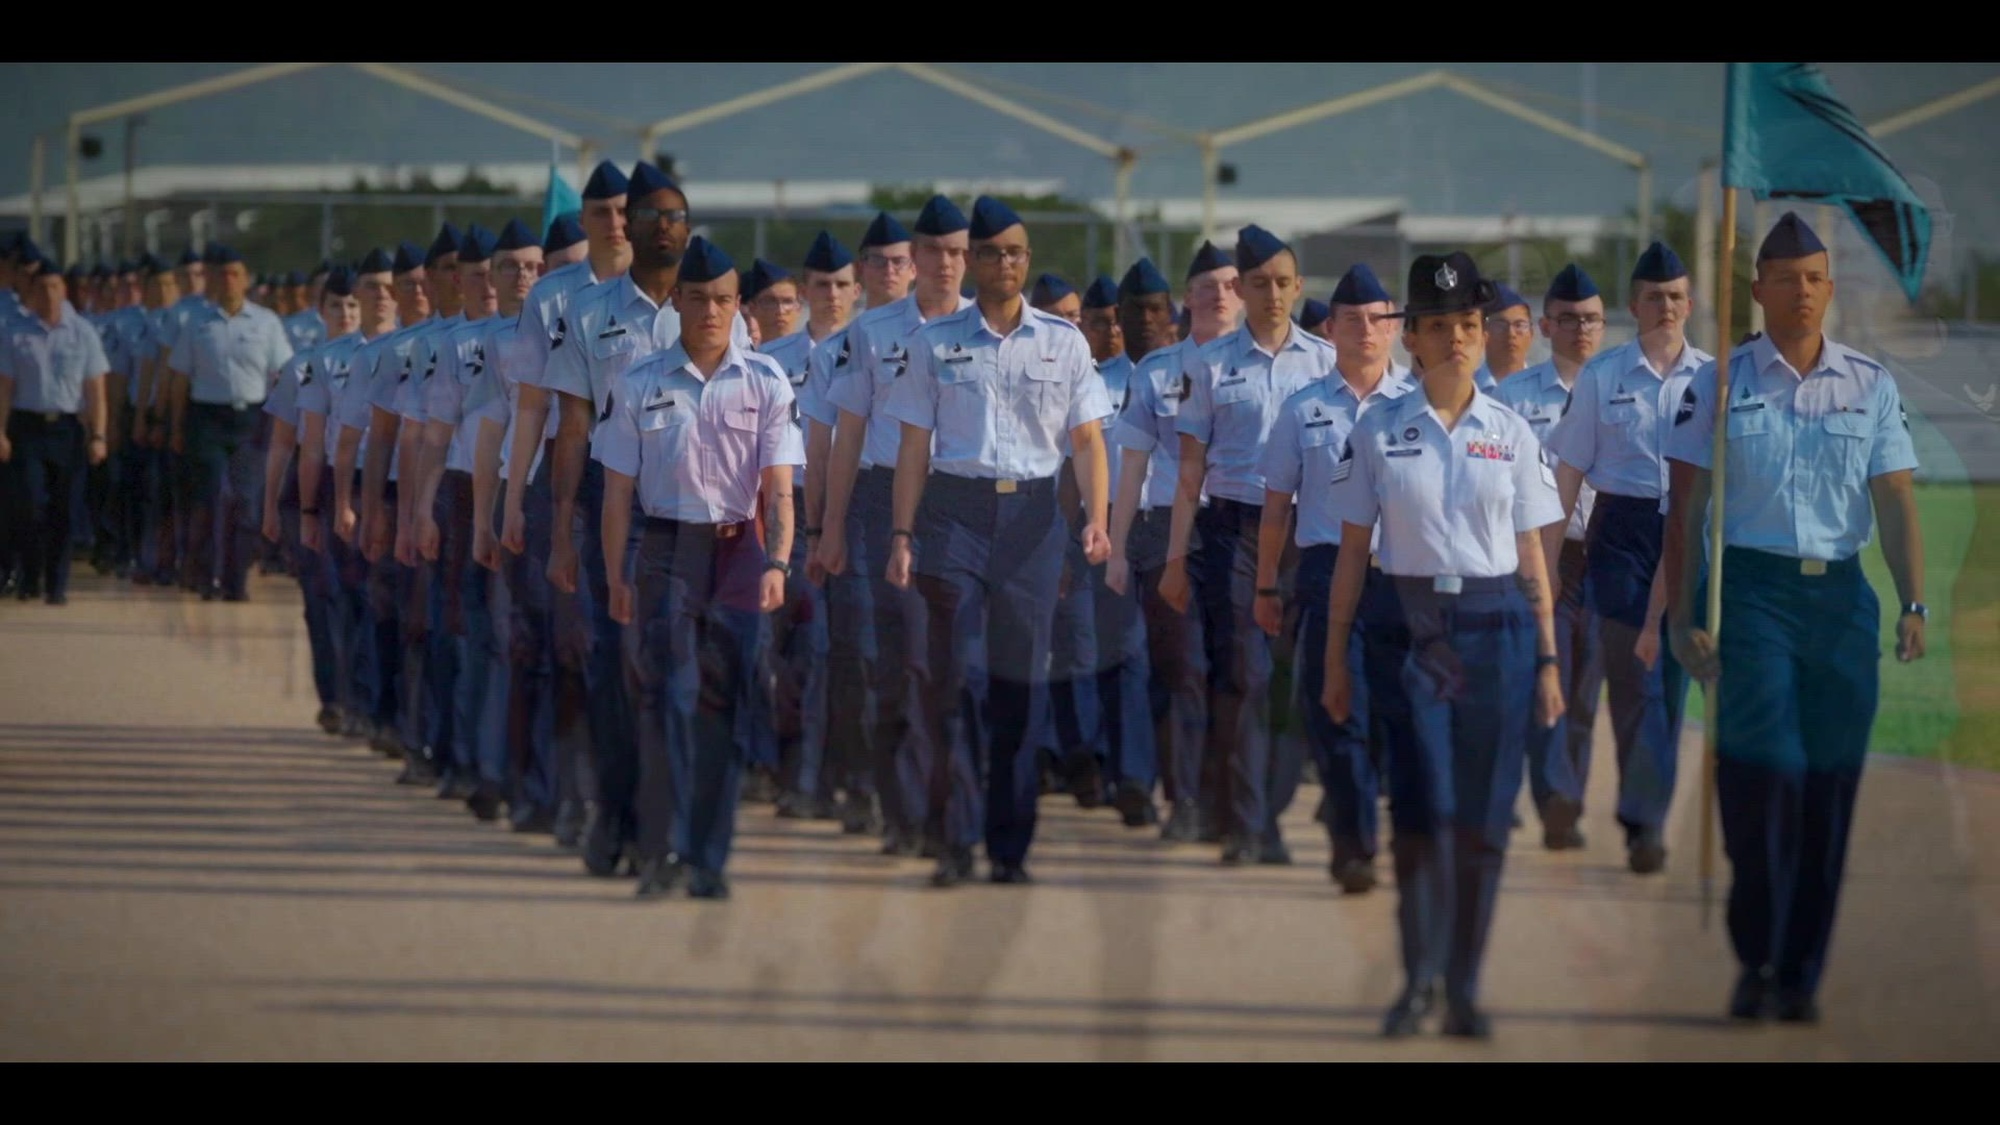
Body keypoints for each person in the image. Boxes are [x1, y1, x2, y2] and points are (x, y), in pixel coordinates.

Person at [1664, 211, 1928, 1024]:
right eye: (1785, 278)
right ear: (1758, 290)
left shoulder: (1870, 384)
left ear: (1830, 288)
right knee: (1764, 776)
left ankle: (1801, 971)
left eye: (1814, 277)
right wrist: (1680, 615)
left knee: (1827, 789)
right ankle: (1758, 956)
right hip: (1751, 596)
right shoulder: (1718, 384)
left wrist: (1912, 599)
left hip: (1841, 604)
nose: (1802, 291)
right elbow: (1685, 509)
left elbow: (1894, 502)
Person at [1323, 250, 1566, 1040]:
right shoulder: (1378, 428)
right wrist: (1334, 659)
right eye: (1439, 326)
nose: (1459, 338)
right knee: (1424, 809)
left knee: (1485, 818)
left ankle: (1463, 983)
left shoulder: (1512, 431)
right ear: (1413, 340)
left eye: (1469, 324)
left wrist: (1549, 657)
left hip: (1497, 627)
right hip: (1412, 626)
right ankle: (1419, 976)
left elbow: (1532, 552)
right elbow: (1353, 551)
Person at [881, 196, 1113, 886]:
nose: (1003, 263)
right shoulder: (933, 343)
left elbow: (1089, 440)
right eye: (990, 252)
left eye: (1015, 252)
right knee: (956, 681)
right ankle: (953, 837)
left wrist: (1095, 519)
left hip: (1034, 524)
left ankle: (1009, 848)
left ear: (1026, 260)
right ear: (971, 261)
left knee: (1022, 687)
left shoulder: (1064, 342)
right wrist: (900, 533)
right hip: (953, 518)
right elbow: (914, 448)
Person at [597, 236, 802, 900]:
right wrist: (617, 576)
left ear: (738, 305)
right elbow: (617, 495)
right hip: (666, 550)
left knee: (724, 704)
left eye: (721, 299)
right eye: (697, 299)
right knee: (667, 699)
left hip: (741, 552)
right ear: (676, 303)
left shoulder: (767, 381)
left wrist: (777, 560)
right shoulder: (639, 382)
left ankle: (708, 857)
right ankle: (661, 850)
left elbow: (779, 488)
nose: (710, 311)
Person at [1162, 224, 1336, 865]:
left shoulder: (1326, 363)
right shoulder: (1207, 365)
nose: (1271, 294)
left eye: (1282, 283)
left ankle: (1269, 806)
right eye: (1256, 284)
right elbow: (1188, 472)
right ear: (1240, 288)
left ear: (1298, 288)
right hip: (1232, 532)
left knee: (1292, 682)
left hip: (1305, 536)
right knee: (1244, 675)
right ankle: (1247, 822)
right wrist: (1177, 558)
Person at [815, 194, 974, 860]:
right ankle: (903, 808)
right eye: (930, 251)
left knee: (961, 668)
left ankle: (954, 811)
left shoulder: (988, 328)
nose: (943, 264)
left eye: (954, 252)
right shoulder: (871, 334)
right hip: (885, 503)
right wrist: (831, 528)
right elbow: (846, 435)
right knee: (904, 664)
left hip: (968, 505)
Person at [1545, 248, 1710, 874]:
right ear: (1634, 305)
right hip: (1622, 536)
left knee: (1672, 683)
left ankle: (1651, 811)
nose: (1664, 306)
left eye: (1675, 296)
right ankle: (1644, 826)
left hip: (1689, 533)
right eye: (1652, 296)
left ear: (1689, 304)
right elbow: (1568, 474)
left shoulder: (1717, 378)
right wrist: (1548, 556)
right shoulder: (1603, 376)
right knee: (1637, 681)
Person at [1258, 262, 1413, 893]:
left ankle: (1398, 829)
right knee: (1337, 710)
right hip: (1325, 574)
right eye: (1354, 321)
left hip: (1404, 574)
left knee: (1396, 717)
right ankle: (1354, 846)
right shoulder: (1304, 409)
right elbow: (1275, 509)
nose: (1368, 333)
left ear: (1395, 328)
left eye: (1380, 321)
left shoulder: (1418, 406)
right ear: (1332, 329)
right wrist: (1267, 585)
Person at [1106, 246, 1235, 842]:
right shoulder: (1156, 373)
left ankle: (1227, 798)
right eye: (1205, 287)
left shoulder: (1272, 368)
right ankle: (1183, 797)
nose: (1217, 296)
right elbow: (1130, 467)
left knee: (1237, 672)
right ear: (1189, 301)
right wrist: (1119, 544)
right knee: (1180, 665)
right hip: (1165, 532)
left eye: (1229, 285)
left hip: (1243, 529)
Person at [1492, 264, 1607, 850]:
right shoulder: (1512, 396)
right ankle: (1555, 795)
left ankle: (1569, 797)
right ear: (1546, 325)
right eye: (1568, 319)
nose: (1580, 329)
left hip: (1608, 554)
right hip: (1538, 555)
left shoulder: (1620, 387)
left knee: (1587, 688)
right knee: (1547, 672)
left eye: (1591, 319)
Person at [760, 230, 857, 821]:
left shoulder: (872, 348)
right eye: (820, 285)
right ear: (804, 289)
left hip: (855, 510)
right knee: (795, 653)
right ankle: (796, 773)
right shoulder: (776, 361)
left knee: (849, 654)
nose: (832, 295)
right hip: (790, 513)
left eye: (843, 284)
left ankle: (840, 776)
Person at [262, 266, 361, 733]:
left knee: (361, 596)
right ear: (320, 311)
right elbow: (283, 442)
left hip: (364, 485)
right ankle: (334, 699)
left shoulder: (380, 358)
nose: (346, 313)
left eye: (353, 305)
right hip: (311, 487)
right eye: (337, 305)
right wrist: (268, 504)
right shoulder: (302, 366)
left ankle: (362, 695)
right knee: (322, 597)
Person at [165, 244, 293, 602]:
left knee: (247, 503)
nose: (229, 281)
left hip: (251, 420)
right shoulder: (197, 324)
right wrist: (175, 427)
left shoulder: (266, 323)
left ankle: (237, 579)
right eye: (221, 274)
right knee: (210, 498)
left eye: (235, 273)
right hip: (206, 419)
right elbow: (179, 380)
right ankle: (209, 575)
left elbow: (283, 374)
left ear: (246, 279)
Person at [0, 251, 110, 605]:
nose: (49, 294)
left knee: (64, 507)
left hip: (67, 428)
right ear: (32, 292)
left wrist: (98, 434)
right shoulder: (15, 333)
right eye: (43, 287)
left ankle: (57, 584)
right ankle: (31, 573)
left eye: (55, 286)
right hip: (27, 427)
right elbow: (5, 387)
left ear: (64, 289)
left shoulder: (82, 332)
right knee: (29, 504)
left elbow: (95, 389)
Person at [1484, 285, 1535, 381]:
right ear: (1483, 333)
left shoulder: (1547, 389)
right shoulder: (1467, 387)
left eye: (1519, 325)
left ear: (1531, 334)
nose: (1511, 334)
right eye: (1500, 325)